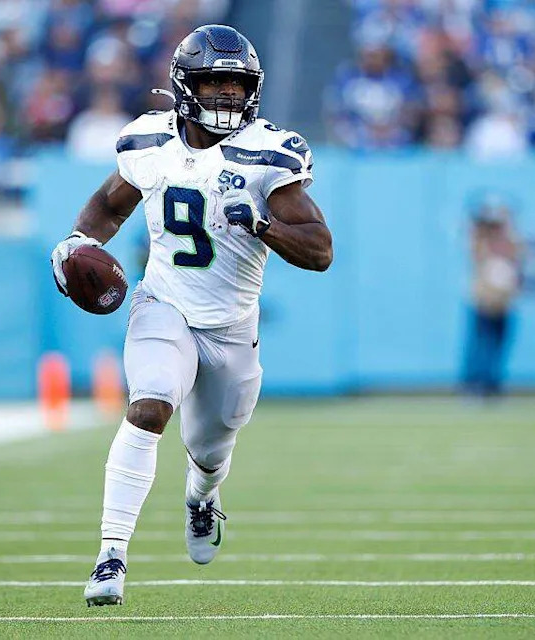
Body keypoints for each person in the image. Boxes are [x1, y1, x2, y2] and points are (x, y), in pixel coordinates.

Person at [50, 25, 332, 607]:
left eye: (236, 85)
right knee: (149, 406)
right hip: (165, 304)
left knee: (210, 447)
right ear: (184, 84)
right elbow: (109, 204)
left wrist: (261, 224)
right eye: (214, 82)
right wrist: (77, 240)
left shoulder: (267, 154)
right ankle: (110, 556)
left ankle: (203, 497)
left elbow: (320, 250)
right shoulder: (148, 141)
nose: (227, 96)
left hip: (231, 325)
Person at [462, 198, 521, 397]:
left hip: (504, 303)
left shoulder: (509, 243)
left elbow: (518, 251)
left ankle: (493, 383)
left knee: (498, 345)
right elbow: (473, 243)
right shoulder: (481, 241)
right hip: (484, 302)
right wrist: (483, 223)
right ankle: (474, 383)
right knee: (480, 345)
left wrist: (506, 221)